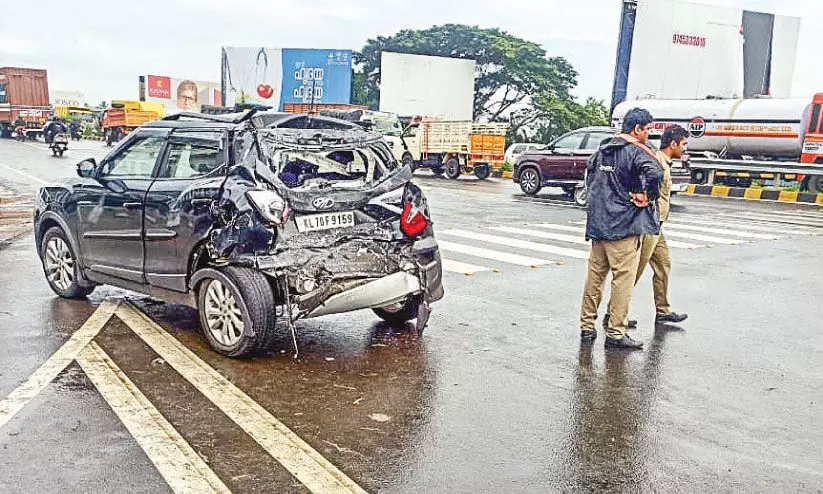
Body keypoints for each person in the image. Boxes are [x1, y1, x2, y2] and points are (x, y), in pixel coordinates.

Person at [579, 108, 662, 350]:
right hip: (622, 227)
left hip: (598, 225)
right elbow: (655, 172)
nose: (647, 135)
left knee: (594, 278)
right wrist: (648, 196)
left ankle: (587, 327)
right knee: (622, 281)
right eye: (646, 130)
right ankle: (615, 332)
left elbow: (590, 179)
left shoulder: (603, 149)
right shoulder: (636, 151)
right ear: (637, 129)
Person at [634, 124, 689, 324]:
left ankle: (663, 310)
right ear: (673, 144)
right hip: (650, 223)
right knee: (635, 271)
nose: (685, 148)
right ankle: (615, 313)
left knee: (663, 265)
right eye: (683, 144)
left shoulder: (666, 163)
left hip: (658, 225)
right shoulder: (657, 162)